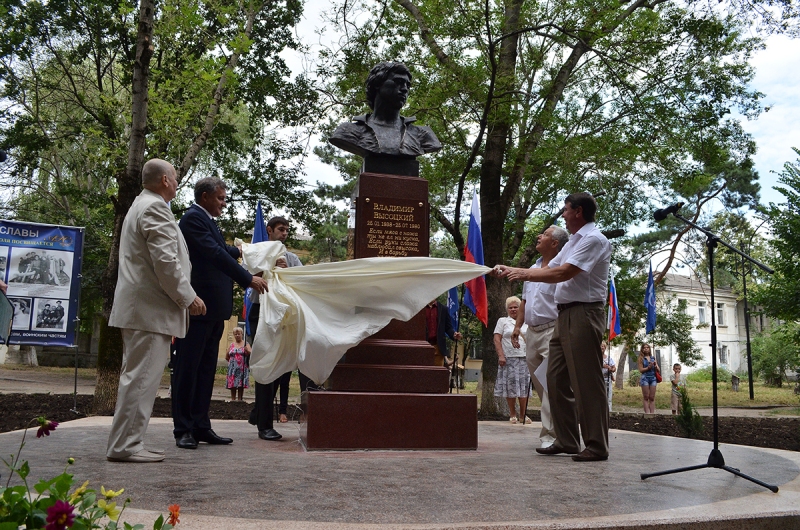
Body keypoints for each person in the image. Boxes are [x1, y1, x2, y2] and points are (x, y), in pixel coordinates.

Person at [495, 192, 611, 462]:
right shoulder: (573, 242)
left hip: (584, 313)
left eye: (566, 210)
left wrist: (520, 273)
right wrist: (510, 268)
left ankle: (596, 445)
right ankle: (568, 440)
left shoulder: (594, 239)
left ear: (579, 212)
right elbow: (549, 269)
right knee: (554, 379)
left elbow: (563, 273)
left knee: (586, 382)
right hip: (565, 315)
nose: (563, 214)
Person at [106, 158, 206, 463]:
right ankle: (126, 445)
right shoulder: (154, 208)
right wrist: (188, 298)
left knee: (136, 377)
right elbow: (165, 263)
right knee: (141, 379)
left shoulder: (141, 205)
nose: (177, 183)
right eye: (174, 178)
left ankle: (126, 442)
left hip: (143, 311)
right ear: (164, 180)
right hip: (149, 312)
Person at [172, 177, 268, 450]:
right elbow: (214, 253)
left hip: (213, 310)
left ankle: (202, 426)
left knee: (205, 370)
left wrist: (245, 250)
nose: (224, 204)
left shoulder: (207, 221)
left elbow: (223, 250)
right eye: (220, 198)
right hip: (198, 307)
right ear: (205, 197)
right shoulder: (192, 219)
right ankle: (183, 429)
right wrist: (248, 279)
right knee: (187, 369)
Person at [250, 216, 309, 436]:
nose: (284, 233)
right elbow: (248, 278)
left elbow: (303, 283)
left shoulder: (292, 258)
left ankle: (258, 412)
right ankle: (265, 425)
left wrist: (287, 272)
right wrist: (269, 268)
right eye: (280, 229)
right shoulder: (259, 252)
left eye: (287, 230)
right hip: (263, 311)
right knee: (267, 362)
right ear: (269, 230)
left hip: (285, 315)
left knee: (281, 363)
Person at [512, 226, 569, 447]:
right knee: (541, 385)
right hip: (532, 334)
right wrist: (518, 327)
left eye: (544, 235)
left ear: (555, 243)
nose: (538, 236)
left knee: (551, 384)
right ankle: (559, 431)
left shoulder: (561, 269)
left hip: (552, 331)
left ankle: (551, 436)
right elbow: (525, 301)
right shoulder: (532, 269)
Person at [329, 62, 441, 159]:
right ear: (377, 84)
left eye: (407, 85)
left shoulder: (423, 135)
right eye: (398, 82)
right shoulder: (349, 131)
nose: (404, 89)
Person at [494, 296, 530, 424]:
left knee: (524, 387)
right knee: (511, 387)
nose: (513, 309)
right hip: (509, 358)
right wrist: (501, 355)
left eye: (516, 307)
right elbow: (497, 339)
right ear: (507, 309)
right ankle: (512, 414)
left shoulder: (527, 321)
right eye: (511, 307)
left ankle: (523, 414)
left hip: (525, 358)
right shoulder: (502, 321)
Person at [425, 299, 462, 367]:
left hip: (438, 347)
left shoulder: (443, 309)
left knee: (437, 374)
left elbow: (448, 327)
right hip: (423, 346)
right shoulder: (420, 308)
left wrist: (454, 334)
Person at [226, 327, 250, 401]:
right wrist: (232, 363)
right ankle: (233, 399)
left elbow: (251, 353)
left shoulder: (246, 344)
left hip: (242, 367)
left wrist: (247, 351)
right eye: (235, 334)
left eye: (238, 334)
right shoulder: (231, 345)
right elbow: (227, 356)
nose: (237, 335)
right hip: (232, 368)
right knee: (232, 383)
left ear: (242, 334)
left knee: (240, 383)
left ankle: (240, 399)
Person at [637, 343, 659, 413]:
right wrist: (648, 368)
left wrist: (656, 366)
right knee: (646, 396)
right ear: (642, 349)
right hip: (645, 378)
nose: (646, 349)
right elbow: (641, 370)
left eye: (647, 347)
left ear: (649, 349)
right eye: (644, 348)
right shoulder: (641, 358)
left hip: (653, 378)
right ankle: (647, 413)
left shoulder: (653, 358)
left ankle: (652, 413)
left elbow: (658, 370)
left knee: (652, 397)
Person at [601, 341, 616, 412]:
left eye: (603, 346)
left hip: (608, 379)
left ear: (605, 348)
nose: (601, 347)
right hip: (599, 380)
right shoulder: (595, 358)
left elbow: (614, 368)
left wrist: (611, 369)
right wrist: (602, 365)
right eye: (600, 346)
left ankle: (609, 412)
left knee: (609, 397)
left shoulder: (609, 358)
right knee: (600, 397)